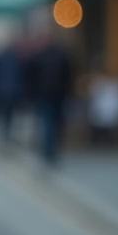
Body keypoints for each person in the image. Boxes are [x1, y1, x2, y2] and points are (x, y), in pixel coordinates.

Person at [26, 27, 74, 166]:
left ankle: (49, 151)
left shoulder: (43, 55)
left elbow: (68, 74)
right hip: (48, 95)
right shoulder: (47, 55)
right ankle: (49, 151)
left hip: (54, 94)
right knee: (50, 123)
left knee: (52, 123)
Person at [0, 35, 26, 148]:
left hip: (1, 92)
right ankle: (5, 136)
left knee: (2, 116)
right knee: (9, 116)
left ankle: (3, 136)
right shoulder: (18, 59)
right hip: (11, 92)